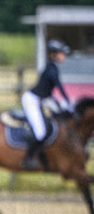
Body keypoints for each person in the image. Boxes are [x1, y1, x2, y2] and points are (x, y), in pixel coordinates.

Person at [20, 38, 72, 169]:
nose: (63, 55)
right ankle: (27, 159)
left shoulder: (52, 68)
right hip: (31, 100)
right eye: (61, 53)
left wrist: (60, 104)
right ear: (54, 54)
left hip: (40, 100)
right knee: (40, 131)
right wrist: (67, 102)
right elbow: (59, 87)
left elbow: (50, 92)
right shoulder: (52, 70)